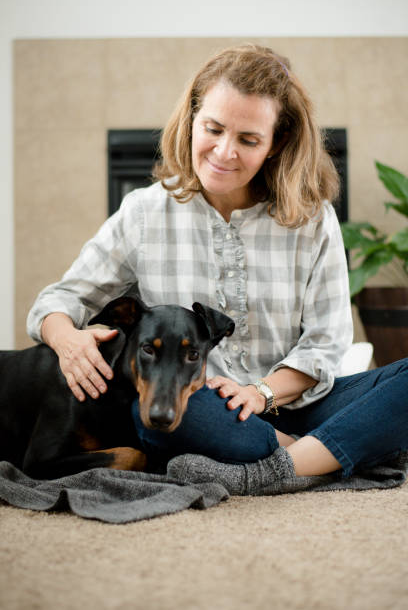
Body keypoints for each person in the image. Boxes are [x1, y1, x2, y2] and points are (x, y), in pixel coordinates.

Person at [27, 44, 408, 493]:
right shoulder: (144, 213)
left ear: (276, 143)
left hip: (301, 403)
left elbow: (326, 344)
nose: (224, 152)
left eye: (248, 139)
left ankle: (271, 469)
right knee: (156, 419)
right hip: (206, 414)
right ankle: (333, 452)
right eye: (213, 129)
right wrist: (67, 339)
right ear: (191, 121)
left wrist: (260, 394)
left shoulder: (313, 218)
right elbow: (60, 299)